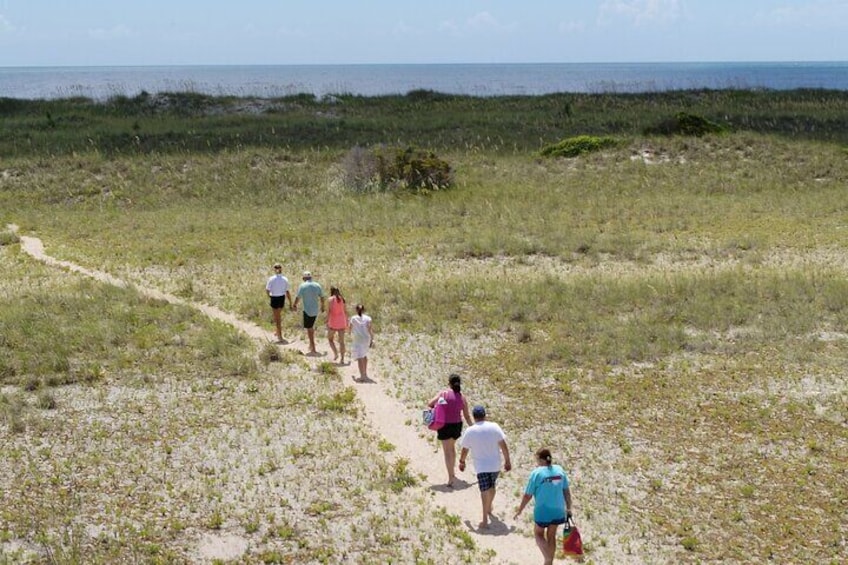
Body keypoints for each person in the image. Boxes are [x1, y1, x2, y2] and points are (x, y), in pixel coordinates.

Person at [514, 448, 574, 565]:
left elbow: (527, 495)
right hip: (558, 509)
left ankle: (548, 559)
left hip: (542, 511)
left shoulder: (536, 473)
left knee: (538, 533)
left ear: (540, 459)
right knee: (551, 536)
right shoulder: (559, 470)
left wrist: (520, 510)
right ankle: (549, 563)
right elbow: (566, 491)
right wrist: (569, 507)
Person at [458, 405, 512, 529]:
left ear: (474, 417)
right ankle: (489, 507)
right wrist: (507, 461)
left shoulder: (471, 431)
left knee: (484, 491)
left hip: (481, 466)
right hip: (495, 464)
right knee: (492, 487)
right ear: (484, 415)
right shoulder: (494, 427)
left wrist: (462, 461)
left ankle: (484, 519)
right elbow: (503, 445)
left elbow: (465, 449)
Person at [427, 373, 473, 488]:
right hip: (457, 425)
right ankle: (452, 472)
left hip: (445, 425)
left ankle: (450, 477)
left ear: (449, 383)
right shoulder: (462, 397)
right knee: (452, 448)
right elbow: (467, 415)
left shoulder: (444, 394)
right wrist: (473, 427)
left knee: (447, 452)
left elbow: (430, 403)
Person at [292, 271, 325, 355]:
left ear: (304, 278)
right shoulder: (317, 285)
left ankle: (313, 348)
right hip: (315, 310)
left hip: (307, 310)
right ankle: (311, 345)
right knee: (311, 327)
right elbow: (322, 297)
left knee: (309, 329)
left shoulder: (302, 286)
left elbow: (298, 297)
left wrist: (294, 305)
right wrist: (322, 306)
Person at [265, 263, 291, 342]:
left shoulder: (271, 279)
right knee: (278, 316)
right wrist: (290, 302)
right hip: (281, 298)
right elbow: (287, 291)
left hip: (274, 297)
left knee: (277, 318)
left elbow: (267, 290)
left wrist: (269, 296)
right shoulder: (285, 279)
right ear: (281, 269)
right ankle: (277, 332)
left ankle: (280, 336)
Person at [348, 304, 373, 381]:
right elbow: (369, 329)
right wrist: (372, 338)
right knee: (364, 355)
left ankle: (362, 375)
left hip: (358, 339)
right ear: (364, 310)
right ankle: (365, 373)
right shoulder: (368, 318)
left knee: (359, 357)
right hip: (366, 338)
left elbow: (350, 327)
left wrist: (349, 333)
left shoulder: (353, 318)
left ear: (356, 310)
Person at [326, 286, 349, 364]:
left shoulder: (330, 299)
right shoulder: (342, 299)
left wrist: (326, 320)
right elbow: (345, 311)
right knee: (342, 341)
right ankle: (342, 359)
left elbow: (329, 311)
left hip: (333, 321)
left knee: (330, 339)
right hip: (342, 321)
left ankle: (335, 353)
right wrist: (347, 320)